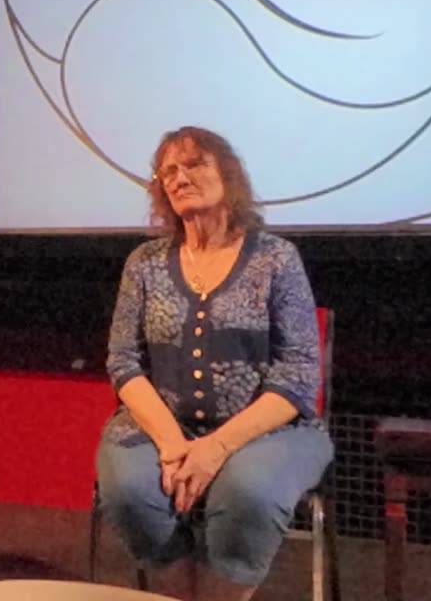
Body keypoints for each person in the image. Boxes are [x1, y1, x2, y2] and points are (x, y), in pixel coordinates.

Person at [96, 127, 333, 601]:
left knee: (248, 492)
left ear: (228, 173)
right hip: (160, 428)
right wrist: (171, 445)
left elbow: (300, 373)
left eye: (195, 164)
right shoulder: (143, 264)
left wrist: (215, 447)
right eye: (168, 172)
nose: (180, 178)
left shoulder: (276, 259)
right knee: (129, 490)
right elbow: (123, 361)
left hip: (267, 431)